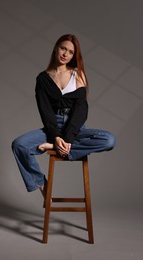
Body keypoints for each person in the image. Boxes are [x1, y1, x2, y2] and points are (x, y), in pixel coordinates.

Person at [12, 34, 116, 200]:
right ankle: (41, 183)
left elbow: (81, 110)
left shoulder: (78, 75)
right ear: (56, 48)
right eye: (63, 48)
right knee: (19, 145)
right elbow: (45, 111)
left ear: (74, 56)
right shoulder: (43, 79)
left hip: (74, 128)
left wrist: (66, 138)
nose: (65, 54)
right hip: (52, 126)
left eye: (70, 52)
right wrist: (55, 136)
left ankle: (54, 147)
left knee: (109, 140)